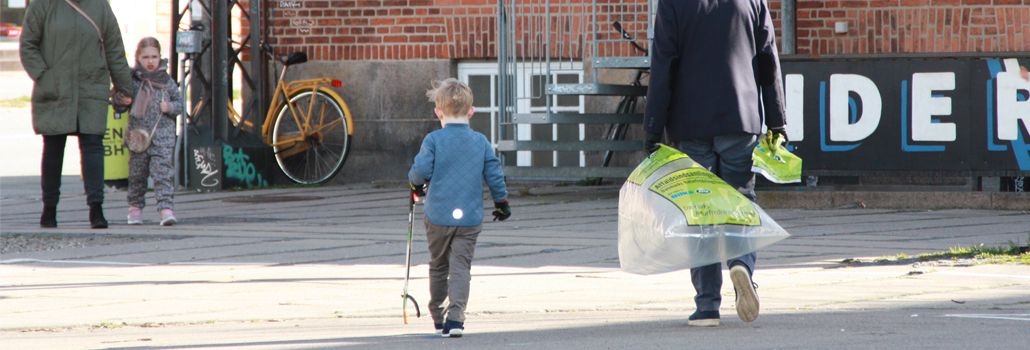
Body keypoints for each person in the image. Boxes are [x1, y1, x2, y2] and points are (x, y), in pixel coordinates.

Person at [643, 0, 787, 327]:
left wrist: (652, 127)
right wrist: (777, 118)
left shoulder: (673, 4)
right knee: (740, 201)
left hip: (690, 123)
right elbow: (767, 59)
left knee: (700, 212)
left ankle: (707, 306)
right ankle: (741, 264)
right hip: (741, 116)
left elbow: (663, 64)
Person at [408, 78, 511, 338]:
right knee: (461, 267)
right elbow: (495, 175)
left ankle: (437, 314)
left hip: (437, 215)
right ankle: (456, 319)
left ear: (438, 112)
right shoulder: (480, 142)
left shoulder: (433, 140)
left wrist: (416, 186)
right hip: (470, 216)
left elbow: (420, 172)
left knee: (439, 265)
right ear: (471, 111)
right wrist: (501, 203)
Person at [20, 0, 134, 229]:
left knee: (93, 146)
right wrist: (45, 77)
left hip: (90, 88)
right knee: (53, 147)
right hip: (56, 89)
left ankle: (96, 209)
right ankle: (49, 209)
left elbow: (114, 49)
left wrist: (126, 88)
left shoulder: (100, 6)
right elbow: (28, 45)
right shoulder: (43, 5)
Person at [117, 37, 182, 226]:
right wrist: (123, 102)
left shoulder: (167, 81)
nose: (150, 61)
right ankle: (135, 208)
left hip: (162, 136)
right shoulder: (132, 80)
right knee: (137, 174)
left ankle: (165, 209)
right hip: (138, 136)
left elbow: (180, 104)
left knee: (163, 173)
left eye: (154, 56)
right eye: (146, 57)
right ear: (138, 58)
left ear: (160, 57)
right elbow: (117, 105)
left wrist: (169, 107)